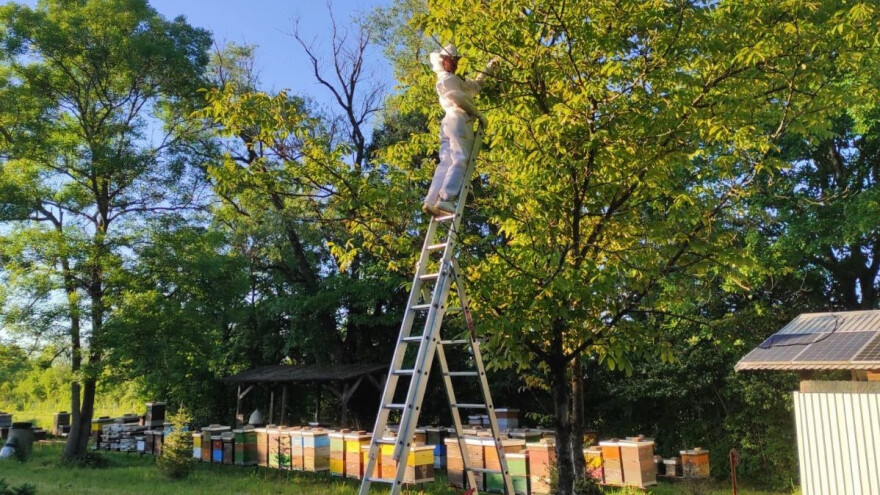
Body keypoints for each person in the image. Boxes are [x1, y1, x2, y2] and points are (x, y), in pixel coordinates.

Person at [423, 44, 496, 216]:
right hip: (458, 118)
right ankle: (446, 198)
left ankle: (431, 201)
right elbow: (459, 98)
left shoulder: (456, 80)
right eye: (452, 59)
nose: (455, 63)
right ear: (444, 60)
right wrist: (478, 114)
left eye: (457, 60)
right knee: (460, 158)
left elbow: (475, 86)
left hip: (449, 123)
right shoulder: (446, 79)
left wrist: (489, 68)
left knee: (446, 162)